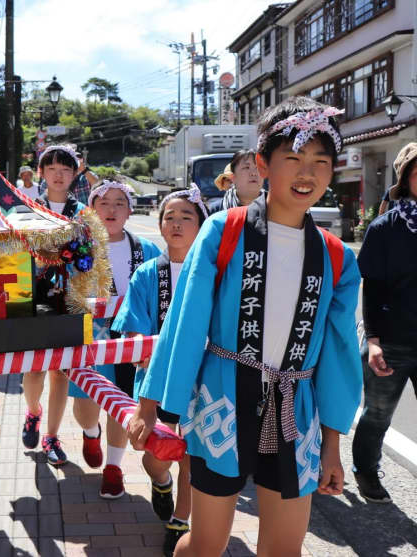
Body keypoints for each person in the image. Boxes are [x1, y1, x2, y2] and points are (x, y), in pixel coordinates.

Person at [128, 97, 362, 557]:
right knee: (206, 544)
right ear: (263, 165)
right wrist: (152, 404)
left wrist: (332, 445)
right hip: (222, 401)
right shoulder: (223, 231)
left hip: (295, 412)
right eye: (293, 158)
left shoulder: (338, 257)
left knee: (284, 549)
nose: (306, 173)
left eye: (320, 162)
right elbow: (184, 322)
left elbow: (338, 358)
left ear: (333, 172)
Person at [112, 186, 208, 556]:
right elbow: (134, 328)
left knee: (192, 455)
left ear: (202, 225)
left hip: (204, 379)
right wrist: (142, 346)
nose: (177, 224)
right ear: (160, 225)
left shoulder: (214, 273)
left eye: (187, 217)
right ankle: (160, 481)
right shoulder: (148, 274)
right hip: (157, 379)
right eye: (170, 217)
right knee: (155, 453)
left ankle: (180, 521)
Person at [68, 180, 161, 497]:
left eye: (119, 202)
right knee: (87, 404)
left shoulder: (147, 250)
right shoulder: (78, 247)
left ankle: (114, 468)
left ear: (130, 210)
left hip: (129, 337)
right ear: (92, 209)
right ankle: (89, 432)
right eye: (104, 202)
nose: (111, 208)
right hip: (88, 336)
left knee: (121, 402)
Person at [352, 141, 417, 503]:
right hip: (391, 339)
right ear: (405, 179)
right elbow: (372, 289)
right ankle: (365, 471)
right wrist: (373, 339)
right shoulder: (384, 228)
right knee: (377, 415)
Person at [23, 144, 86, 466]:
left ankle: (52, 436)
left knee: (61, 371)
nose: (59, 175)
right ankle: (33, 411)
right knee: (33, 367)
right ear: (41, 173)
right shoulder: (28, 208)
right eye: (52, 169)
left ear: (75, 174)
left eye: (66, 169)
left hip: (71, 297)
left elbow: (94, 257)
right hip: (34, 295)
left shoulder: (84, 212)